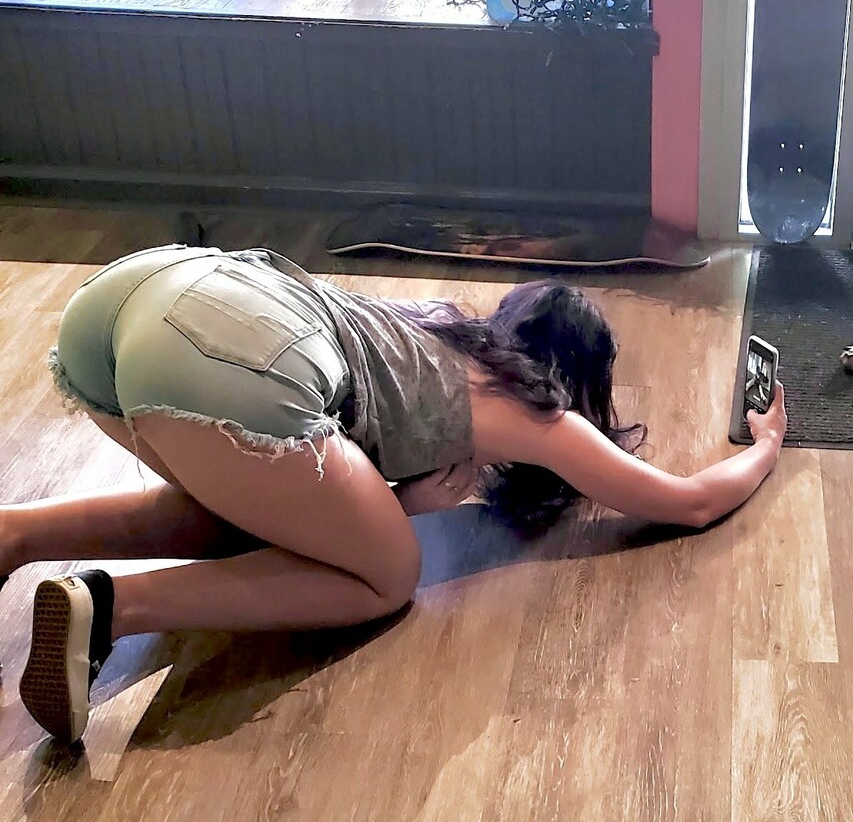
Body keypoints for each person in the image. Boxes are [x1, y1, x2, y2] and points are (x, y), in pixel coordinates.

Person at [0, 244, 786, 743]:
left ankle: (19, 533)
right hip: (227, 353)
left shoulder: (429, 326)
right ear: (573, 378)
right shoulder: (535, 410)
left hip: (140, 294)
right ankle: (110, 610)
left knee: (244, 503)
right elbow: (689, 502)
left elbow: (312, 488)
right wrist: (767, 446)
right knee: (389, 574)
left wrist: (400, 496)